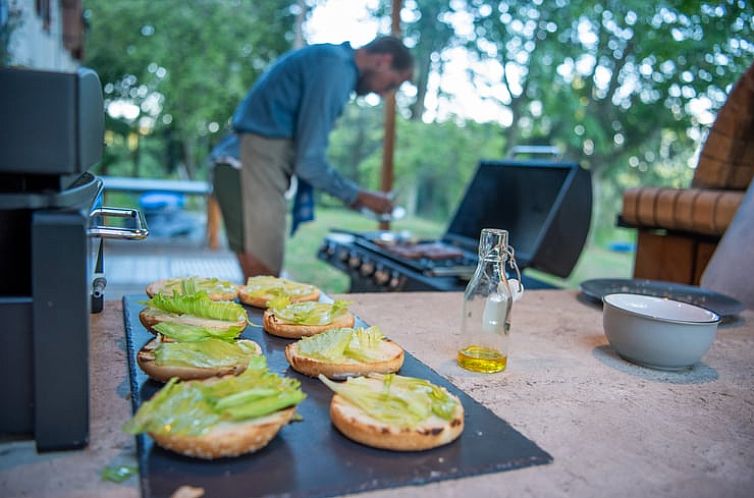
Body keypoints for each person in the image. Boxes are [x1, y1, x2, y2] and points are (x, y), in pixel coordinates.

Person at [211, 36, 413, 279]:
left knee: (260, 282)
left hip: (244, 162)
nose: (384, 94)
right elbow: (309, 162)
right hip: (249, 163)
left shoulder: (330, 59)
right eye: (392, 84)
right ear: (383, 60)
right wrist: (358, 195)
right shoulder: (336, 69)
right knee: (263, 280)